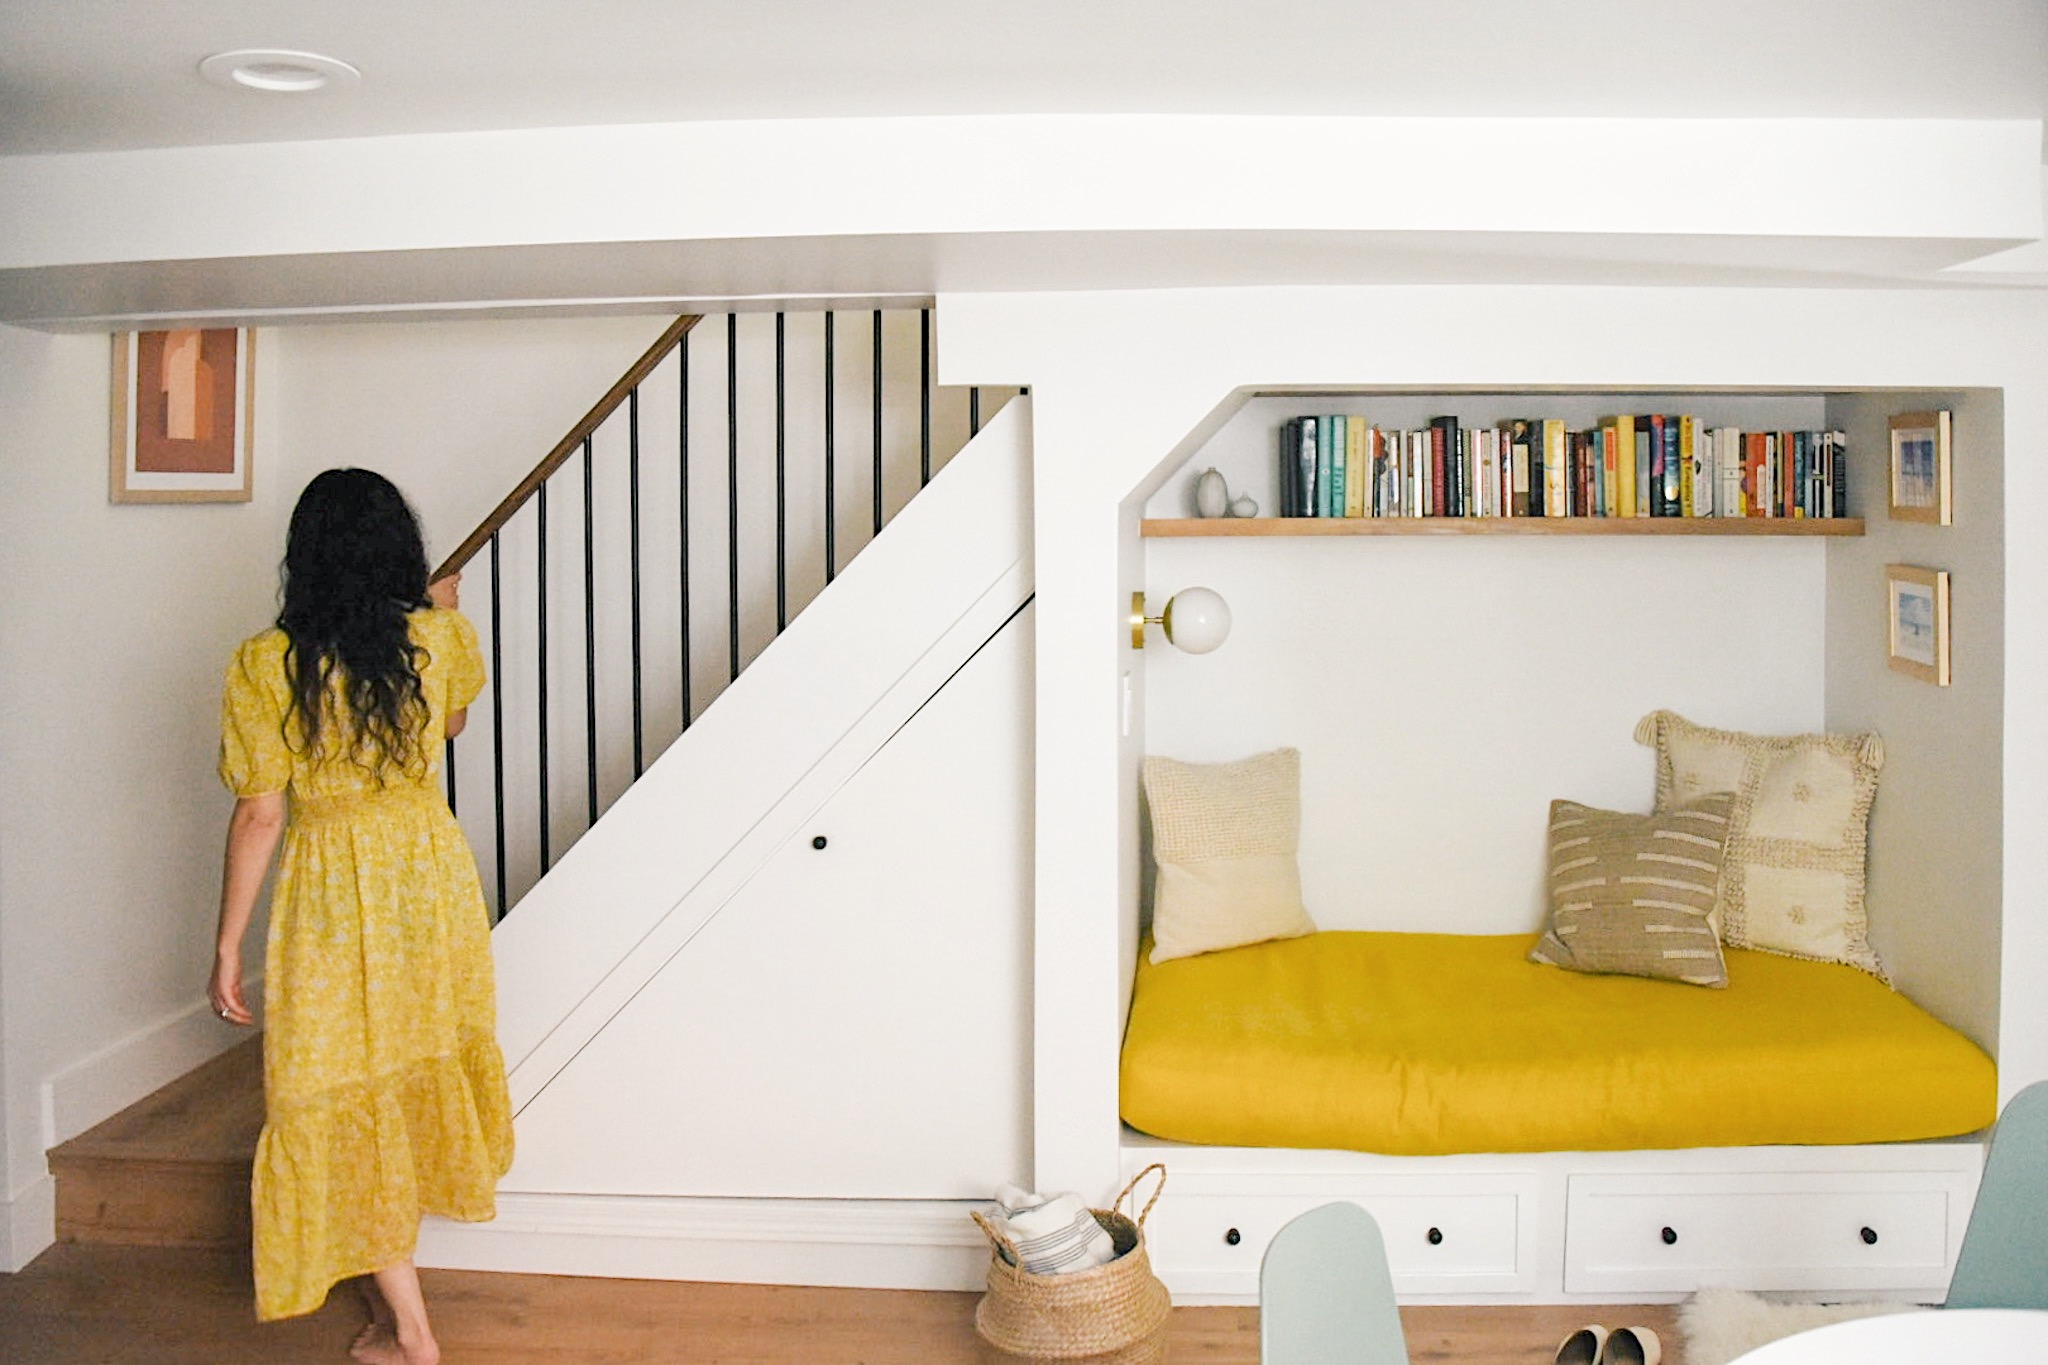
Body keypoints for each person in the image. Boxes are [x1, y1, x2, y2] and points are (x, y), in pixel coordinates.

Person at [209, 468, 513, 1365]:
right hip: (428, 875)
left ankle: (410, 1329)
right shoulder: (440, 635)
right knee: (402, 1074)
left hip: (336, 886)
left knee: (342, 1083)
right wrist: (434, 608)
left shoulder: (268, 662)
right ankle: (399, 1315)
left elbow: (262, 810)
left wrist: (227, 945)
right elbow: (449, 723)